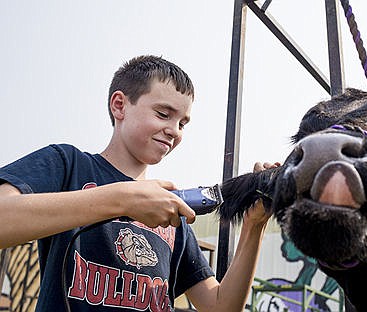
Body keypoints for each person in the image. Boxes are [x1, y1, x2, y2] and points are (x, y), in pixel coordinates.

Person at [0, 55, 278, 311]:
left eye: (183, 123)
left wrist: (254, 225)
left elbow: (221, 307)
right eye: (163, 114)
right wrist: (123, 199)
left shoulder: (171, 212)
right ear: (119, 105)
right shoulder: (68, 164)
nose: (174, 131)